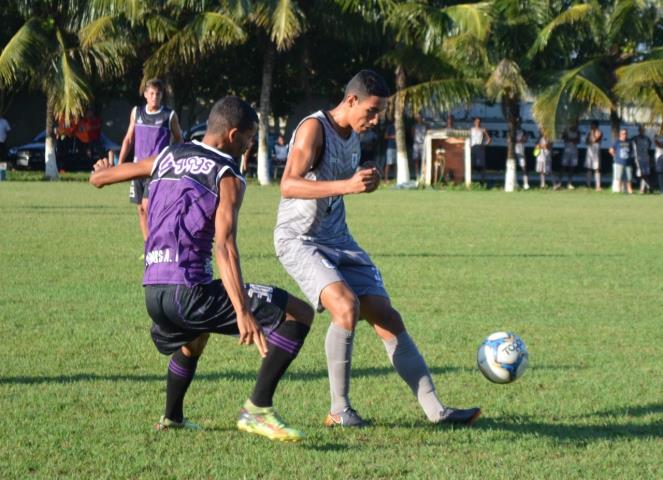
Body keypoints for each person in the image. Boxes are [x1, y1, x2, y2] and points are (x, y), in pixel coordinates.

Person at [90, 96, 313, 442]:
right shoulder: (226, 175)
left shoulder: (169, 154)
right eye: (250, 139)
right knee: (299, 314)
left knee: (195, 334)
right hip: (187, 292)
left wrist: (101, 173)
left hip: (153, 292)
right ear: (233, 135)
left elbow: (102, 179)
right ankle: (258, 409)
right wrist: (242, 311)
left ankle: (172, 417)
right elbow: (225, 247)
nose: (250, 146)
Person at [274, 69, 480, 428]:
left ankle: (438, 412)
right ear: (351, 100)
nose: (374, 120)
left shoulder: (353, 136)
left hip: (338, 239)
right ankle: (339, 411)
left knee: (386, 316)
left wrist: (365, 184)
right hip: (299, 238)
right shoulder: (314, 128)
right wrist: (348, 185)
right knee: (346, 306)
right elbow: (288, 185)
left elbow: (341, 187)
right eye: (371, 111)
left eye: (379, 113)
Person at [118, 78, 183, 242]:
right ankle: (149, 247)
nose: (155, 97)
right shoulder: (136, 112)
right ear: (146, 94)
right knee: (140, 209)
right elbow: (128, 139)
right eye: (152, 93)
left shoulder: (169, 116)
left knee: (148, 207)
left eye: (158, 94)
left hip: (156, 169)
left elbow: (179, 139)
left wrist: (171, 158)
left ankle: (159, 241)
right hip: (137, 168)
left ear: (162, 96)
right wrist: (120, 165)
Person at [609, 128, 634, 194]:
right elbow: (611, 150)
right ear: (620, 134)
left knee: (629, 178)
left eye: (625, 133)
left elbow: (632, 151)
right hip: (619, 162)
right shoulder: (617, 142)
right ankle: (619, 190)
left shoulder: (629, 142)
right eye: (623, 133)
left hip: (628, 163)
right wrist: (615, 156)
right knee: (618, 177)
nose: (624, 135)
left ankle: (630, 190)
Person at [470, 117, 491, 185]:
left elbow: (489, 139)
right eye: (476, 121)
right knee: (471, 163)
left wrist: (484, 144)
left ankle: (483, 180)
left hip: (479, 147)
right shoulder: (471, 130)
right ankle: (471, 179)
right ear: (474, 122)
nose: (477, 123)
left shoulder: (483, 130)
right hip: (472, 147)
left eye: (479, 122)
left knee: (481, 164)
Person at [631, 126, 652, 194]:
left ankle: (643, 189)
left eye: (643, 130)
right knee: (641, 174)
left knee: (646, 174)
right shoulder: (635, 138)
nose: (642, 131)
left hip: (646, 158)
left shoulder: (647, 139)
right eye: (641, 130)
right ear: (639, 131)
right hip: (638, 158)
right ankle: (647, 187)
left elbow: (649, 149)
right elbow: (632, 147)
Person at [585, 121, 603, 191]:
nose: (591, 126)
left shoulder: (599, 132)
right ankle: (588, 185)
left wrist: (592, 135)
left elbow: (595, 139)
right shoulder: (589, 133)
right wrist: (590, 138)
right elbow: (586, 141)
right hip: (589, 152)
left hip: (596, 151)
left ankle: (598, 186)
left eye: (593, 125)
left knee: (597, 169)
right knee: (589, 168)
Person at [561, 124, 580, 189]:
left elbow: (578, 141)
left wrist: (571, 140)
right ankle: (559, 182)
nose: (574, 126)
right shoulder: (566, 131)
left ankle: (569, 183)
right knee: (563, 167)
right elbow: (564, 138)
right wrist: (572, 140)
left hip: (574, 151)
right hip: (566, 151)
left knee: (572, 168)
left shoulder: (577, 132)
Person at [514, 123, 529, 190]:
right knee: (513, 168)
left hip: (521, 151)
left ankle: (526, 183)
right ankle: (515, 182)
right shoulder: (512, 131)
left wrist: (521, 139)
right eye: (516, 121)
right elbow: (510, 140)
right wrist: (516, 140)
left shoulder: (524, 131)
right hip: (513, 152)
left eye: (519, 121)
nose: (517, 123)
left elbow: (526, 140)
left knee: (523, 167)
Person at [411, 114, 426, 180]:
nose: (419, 118)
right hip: (416, 144)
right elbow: (412, 134)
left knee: (424, 159)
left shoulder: (425, 126)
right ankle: (417, 175)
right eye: (418, 117)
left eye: (420, 117)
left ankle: (423, 174)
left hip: (423, 144)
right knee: (416, 159)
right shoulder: (414, 126)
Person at [655, 127, 663, 194]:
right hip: (659, 157)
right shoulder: (657, 137)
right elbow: (658, 144)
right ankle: (661, 190)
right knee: (660, 174)